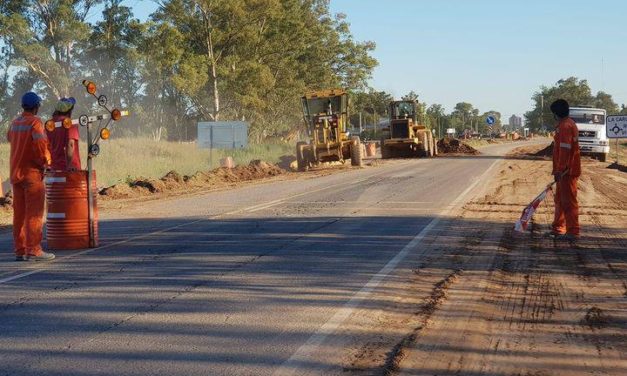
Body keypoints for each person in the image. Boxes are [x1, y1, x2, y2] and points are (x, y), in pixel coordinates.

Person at [7, 92, 55, 261]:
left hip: (16, 174)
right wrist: (46, 162)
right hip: (32, 174)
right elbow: (40, 148)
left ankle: (20, 250)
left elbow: (9, 138)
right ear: (36, 106)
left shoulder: (14, 123)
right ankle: (34, 250)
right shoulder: (36, 123)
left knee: (19, 214)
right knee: (34, 214)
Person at [549, 99, 581, 243]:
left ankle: (573, 231)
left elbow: (564, 150)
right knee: (560, 200)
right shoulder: (567, 124)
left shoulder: (565, 126)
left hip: (567, 171)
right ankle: (558, 228)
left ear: (556, 113)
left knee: (568, 201)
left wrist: (560, 170)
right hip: (565, 170)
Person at [47, 97, 80, 171]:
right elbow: (70, 145)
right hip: (71, 169)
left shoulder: (49, 125)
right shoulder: (70, 123)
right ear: (70, 110)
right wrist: (69, 166)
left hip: (54, 168)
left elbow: (46, 145)